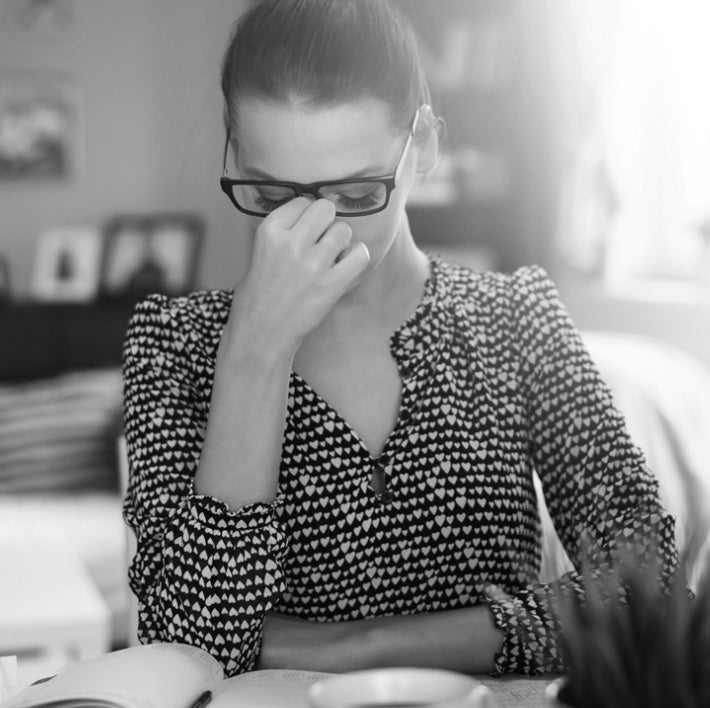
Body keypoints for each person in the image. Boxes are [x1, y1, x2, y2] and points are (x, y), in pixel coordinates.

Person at [122, 0, 678, 678]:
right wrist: (254, 354)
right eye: (271, 193)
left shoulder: (515, 318)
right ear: (235, 154)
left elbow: (645, 584)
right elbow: (189, 647)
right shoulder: (175, 344)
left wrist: (357, 647)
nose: (316, 225)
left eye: (357, 193)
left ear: (426, 146)